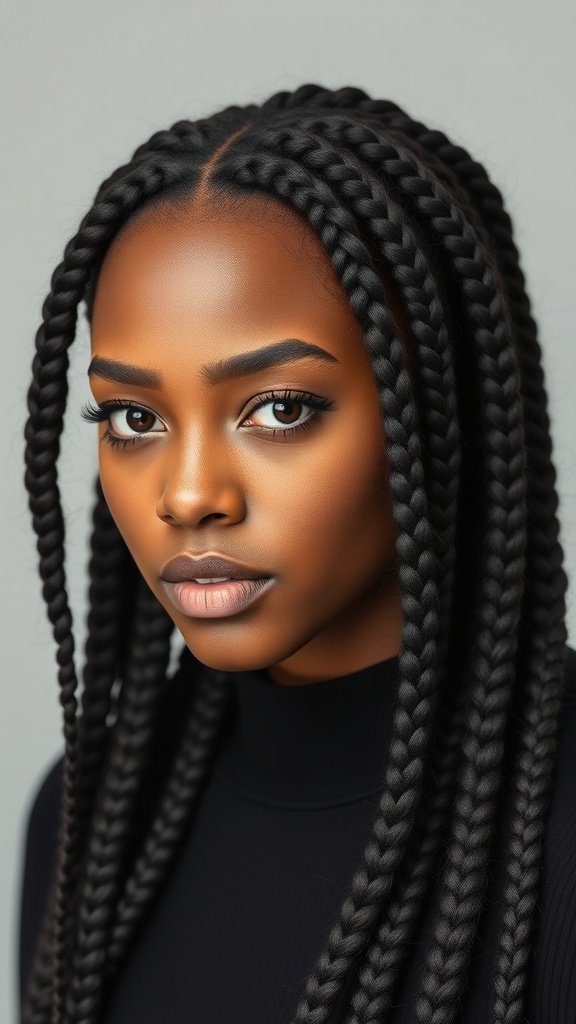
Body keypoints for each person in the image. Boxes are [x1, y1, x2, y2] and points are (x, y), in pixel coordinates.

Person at [17, 83, 575, 1024]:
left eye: (279, 408)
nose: (188, 495)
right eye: (134, 418)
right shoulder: (84, 826)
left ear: (441, 412)